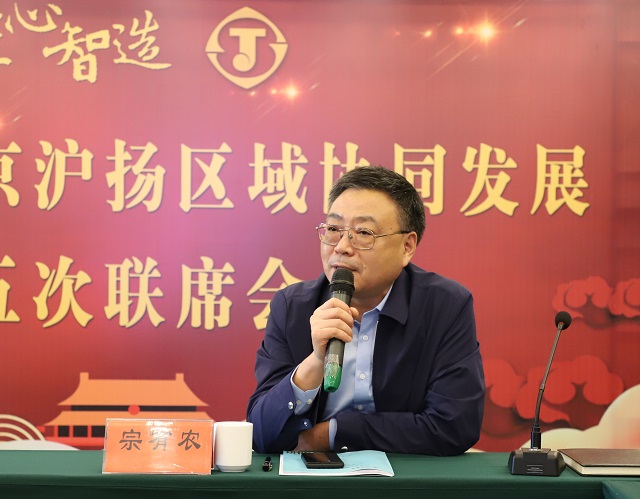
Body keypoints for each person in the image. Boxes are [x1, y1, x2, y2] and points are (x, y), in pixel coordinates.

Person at [246, 165, 485, 455]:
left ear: (407, 247)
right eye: (333, 229)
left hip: (406, 476)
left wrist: (331, 434)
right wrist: (315, 361)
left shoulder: (445, 306)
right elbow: (261, 433)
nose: (342, 247)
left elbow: (455, 425)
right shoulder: (292, 307)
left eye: (363, 232)